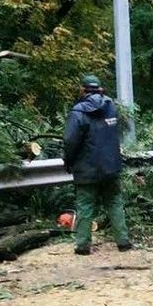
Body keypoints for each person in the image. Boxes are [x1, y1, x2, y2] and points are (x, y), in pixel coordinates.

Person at [63, 74, 131, 255]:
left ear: (83, 89)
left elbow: (70, 141)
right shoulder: (111, 107)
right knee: (115, 202)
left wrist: (68, 162)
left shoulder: (78, 112)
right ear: (100, 89)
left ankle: (83, 246)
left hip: (87, 168)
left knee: (85, 206)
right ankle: (123, 241)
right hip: (111, 167)